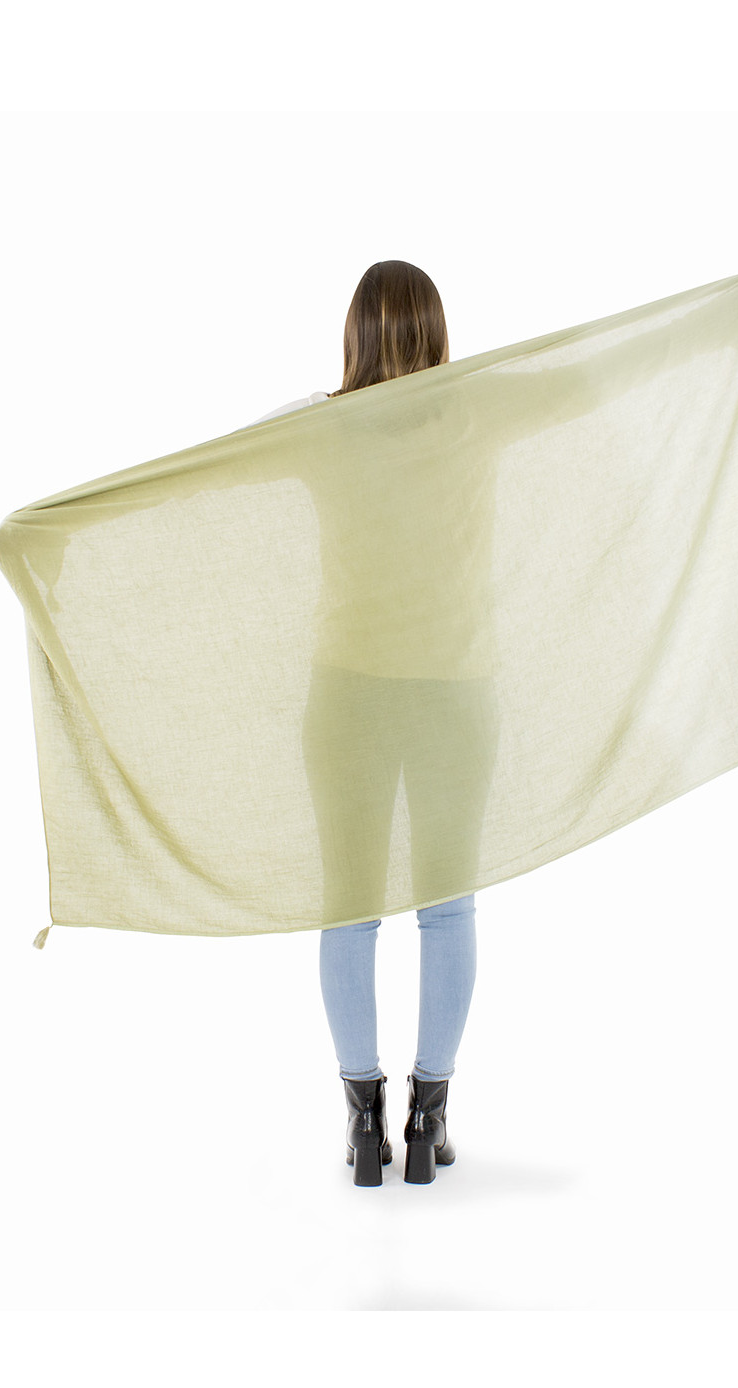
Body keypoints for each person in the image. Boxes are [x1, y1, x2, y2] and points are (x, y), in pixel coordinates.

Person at [247, 261, 500, 1187]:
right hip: (455, 695)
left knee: (350, 911)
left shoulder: (320, 426)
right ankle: (428, 1119)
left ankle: (364, 1127)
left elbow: (212, 465)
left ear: (355, 333)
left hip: (347, 695)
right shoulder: (482, 413)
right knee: (449, 907)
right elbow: (586, 383)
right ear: (436, 330)